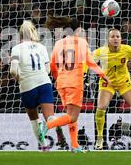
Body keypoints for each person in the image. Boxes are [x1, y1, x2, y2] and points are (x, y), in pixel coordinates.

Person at [41, 16, 110, 153]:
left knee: (70, 115)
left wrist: (57, 79)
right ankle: (48, 124)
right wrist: (103, 75)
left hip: (61, 83)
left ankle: (75, 145)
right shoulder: (81, 42)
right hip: (74, 82)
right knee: (73, 116)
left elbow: (53, 65)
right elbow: (90, 63)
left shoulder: (59, 43)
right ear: (77, 29)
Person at [9, 20, 66, 151]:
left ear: (20, 34)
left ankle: (44, 146)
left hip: (27, 86)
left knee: (34, 120)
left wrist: (20, 78)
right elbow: (47, 70)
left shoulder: (16, 49)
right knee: (50, 117)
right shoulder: (41, 47)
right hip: (44, 83)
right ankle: (55, 124)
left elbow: (13, 70)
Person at [92, 28, 131, 151]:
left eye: (118, 36)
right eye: (113, 37)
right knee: (101, 108)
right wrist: (86, 75)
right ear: (108, 39)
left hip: (124, 83)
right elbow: (88, 62)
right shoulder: (101, 51)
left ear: (121, 39)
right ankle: (100, 138)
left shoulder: (127, 49)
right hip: (108, 83)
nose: (116, 39)